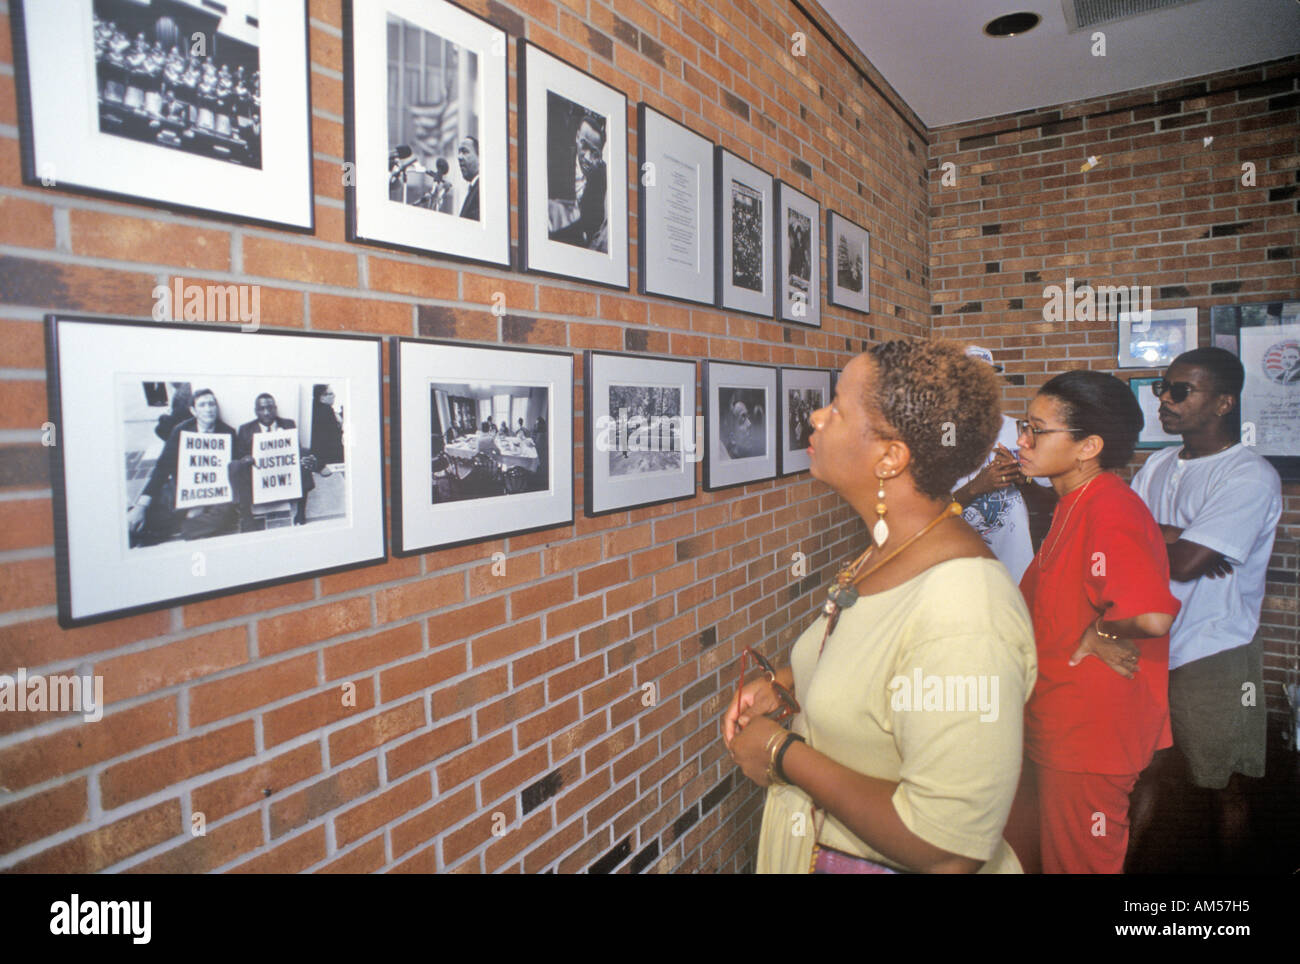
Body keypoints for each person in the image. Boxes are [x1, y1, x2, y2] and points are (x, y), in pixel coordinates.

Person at [723, 340, 1037, 874]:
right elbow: (881, 660)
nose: (817, 417)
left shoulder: (965, 608)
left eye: (837, 407)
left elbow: (947, 848)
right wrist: (791, 679)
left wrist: (781, 753)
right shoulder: (890, 548)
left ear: (891, 457)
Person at [1005, 370, 1180, 875]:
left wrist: (1099, 632)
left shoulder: (1108, 507)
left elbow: (1150, 615)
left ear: (1089, 446)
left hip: (1090, 735)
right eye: (1024, 424)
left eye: (1037, 429)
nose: (1022, 440)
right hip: (1064, 723)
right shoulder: (1072, 502)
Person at [1127, 348, 1282, 872]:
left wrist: (1176, 544)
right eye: (1162, 389)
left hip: (1212, 648)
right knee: (1140, 770)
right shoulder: (1157, 464)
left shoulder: (1249, 475)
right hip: (1147, 642)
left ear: (1222, 403)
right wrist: (1172, 536)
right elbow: (1120, 539)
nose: (1165, 401)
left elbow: (1190, 563)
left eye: (1179, 391)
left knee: (1222, 782)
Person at [952, 347, 1057, 585]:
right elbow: (930, 512)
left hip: (1013, 565)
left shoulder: (1019, 429)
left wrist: (1023, 479)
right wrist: (975, 488)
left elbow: (1050, 502)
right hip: (958, 562)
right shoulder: (945, 432)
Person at [127, 388, 239, 543]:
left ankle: (181, 525)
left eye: (212, 404)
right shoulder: (180, 431)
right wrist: (141, 505)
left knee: (225, 514)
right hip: (184, 485)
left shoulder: (228, 433)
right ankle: (184, 522)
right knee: (147, 513)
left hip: (214, 491)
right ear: (193, 411)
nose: (208, 409)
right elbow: (162, 467)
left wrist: (200, 504)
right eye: (202, 405)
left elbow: (229, 472)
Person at [232, 393, 323, 529]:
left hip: (284, 470)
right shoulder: (245, 429)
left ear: (275, 408)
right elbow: (240, 455)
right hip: (259, 471)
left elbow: (295, 449)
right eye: (262, 409)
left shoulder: (288, 424)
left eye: (270, 408)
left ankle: (300, 512)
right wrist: (247, 459)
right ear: (256, 411)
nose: (267, 412)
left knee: (303, 455)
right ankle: (246, 516)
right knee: (237, 466)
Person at [550, 113, 608, 251]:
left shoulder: (601, 178)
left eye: (594, 152)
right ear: (577, 137)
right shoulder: (557, 162)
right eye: (584, 146)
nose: (587, 157)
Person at [310, 384, 344, 464]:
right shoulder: (326, 410)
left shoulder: (316, 410)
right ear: (322, 397)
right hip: (331, 458)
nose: (334, 396)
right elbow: (334, 437)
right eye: (331, 394)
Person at [457, 136, 480, 220]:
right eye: (459, 152)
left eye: (465, 152)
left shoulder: (482, 190)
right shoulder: (474, 188)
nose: (459, 157)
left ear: (480, 157)